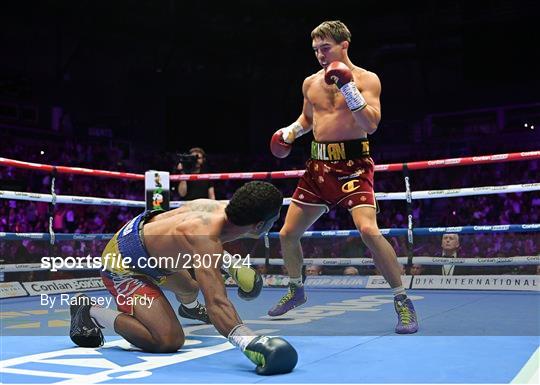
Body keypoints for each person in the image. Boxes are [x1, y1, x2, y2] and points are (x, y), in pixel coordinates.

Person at [268, 20, 418, 334]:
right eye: (316, 50)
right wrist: (290, 132)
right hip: (318, 168)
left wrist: (348, 87)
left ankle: (402, 300)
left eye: (326, 48)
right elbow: (308, 119)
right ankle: (296, 288)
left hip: (353, 165)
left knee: (368, 230)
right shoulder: (310, 82)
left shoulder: (367, 79)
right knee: (286, 234)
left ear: (344, 45)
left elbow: (371, 123)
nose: (321, 55)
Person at [69, 181, 297, 375]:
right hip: (122, 266)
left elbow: (195, 241)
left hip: (148, 253)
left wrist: (232, 266)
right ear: (259, 225)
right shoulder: (206, 239)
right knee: (168, 340)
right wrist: (251, 342)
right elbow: (217, 303)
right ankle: (90, 310)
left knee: (190, 288)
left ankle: (188, 307)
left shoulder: (214, 208)